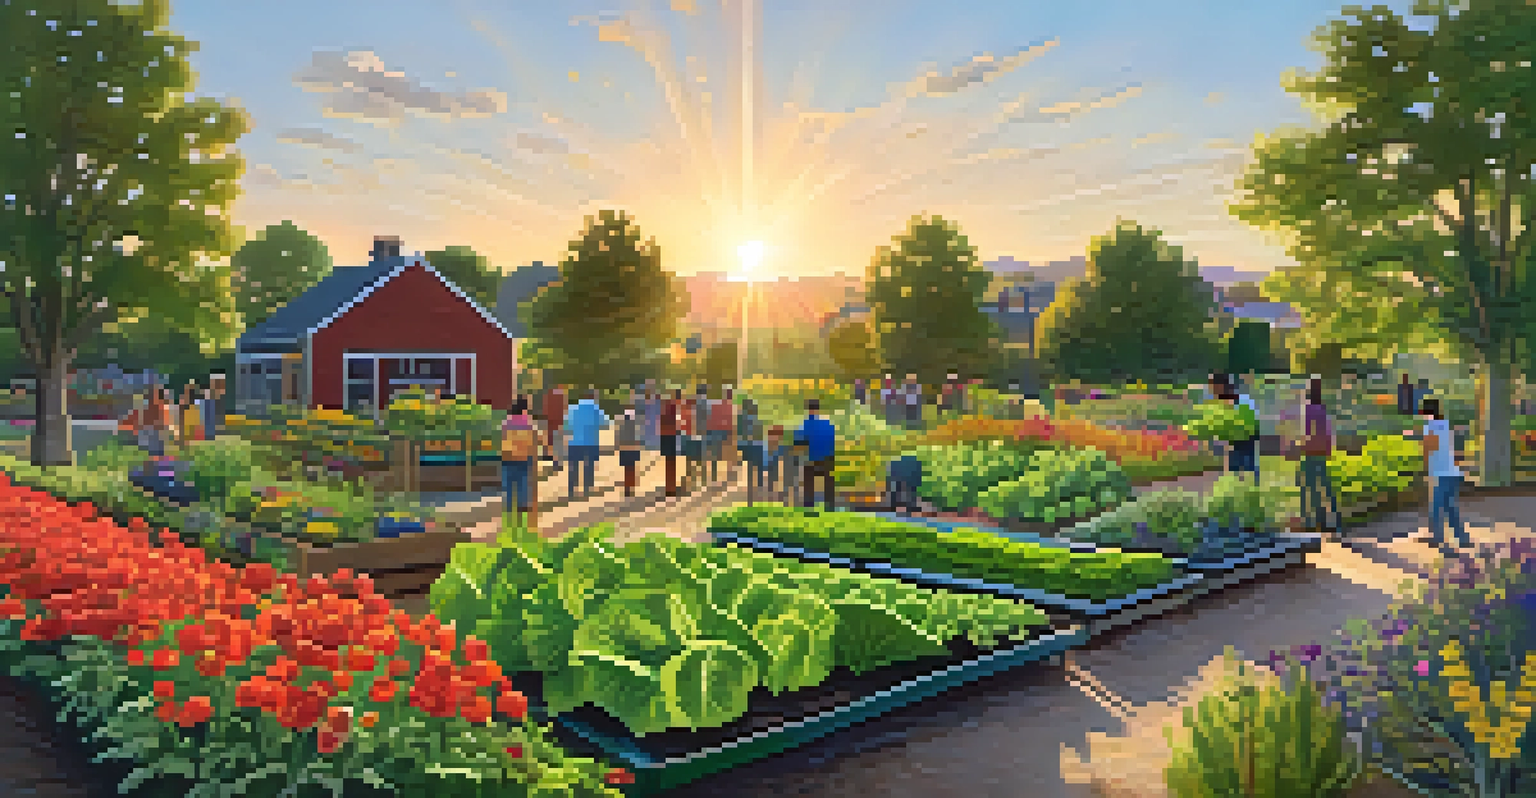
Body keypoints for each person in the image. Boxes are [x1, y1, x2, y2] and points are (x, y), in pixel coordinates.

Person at [1421, 397, 1471, 555]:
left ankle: (1437, 537)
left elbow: (1431, 447)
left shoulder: (1430, 426)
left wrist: (1425, 465)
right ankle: (1462, 538)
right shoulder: (1445, 425)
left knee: (1436, 506)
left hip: (1440, 472)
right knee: (1450, 506)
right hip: (1452, 472)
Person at [1292, 377, 1341, 534]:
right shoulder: (1322, 410)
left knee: (1308, 488)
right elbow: (1328, 433)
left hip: (1310, 453)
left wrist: (1298, 446)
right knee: (1325, 489)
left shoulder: (1307, 410)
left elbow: (1305, 434)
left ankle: (1312, 522)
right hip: (1321, 453)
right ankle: (1333, 522)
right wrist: (1328, 451)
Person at [500, 396, 542, 530]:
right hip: (524, 457)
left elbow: (502, 438)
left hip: (508, 457)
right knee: (523, 484)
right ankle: (521, 511)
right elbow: (536, 439)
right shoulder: (528, 423)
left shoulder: (506, 422)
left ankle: (508, 511)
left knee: (508, 485)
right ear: (524, 408)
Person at [564, 388, 609, 499]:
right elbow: (605, 423)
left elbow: (566, 424)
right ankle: (587, 488)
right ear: (593, 397)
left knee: (573, 466)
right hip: (591, 441)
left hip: (574, 441)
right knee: (589, 466)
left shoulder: (572, 409)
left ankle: (571, 489)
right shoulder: (595, 409)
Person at [796, 398, 837, 512]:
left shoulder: (804, 424)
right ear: (818, 410)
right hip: (828, 458)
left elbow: (799, 443)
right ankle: (830, 506)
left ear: (808, 410)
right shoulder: (827, 423)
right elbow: (832, 440)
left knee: (808, 480)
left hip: (812, 459)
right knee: (829, 482)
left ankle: (809, 506)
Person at [706, 386, 735, 482]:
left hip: (715, 431)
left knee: (714, 454)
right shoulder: (731, 407)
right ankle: (729, 473)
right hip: (725, 431)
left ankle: (714, 474)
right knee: (728, 453)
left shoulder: (716, 405)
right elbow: (730, 421)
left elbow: (710, 419)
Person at [615, 401, 643, 497]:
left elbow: (618, 434)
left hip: (624, 446)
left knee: (627, 468)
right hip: (633, 446)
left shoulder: (621, 420)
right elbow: (639, 434)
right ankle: (630, 487)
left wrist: (617, 445)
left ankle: (627, 488)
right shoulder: (636, 420)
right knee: (631, 468)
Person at [660, 388, 683, 497]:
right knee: (672, 462)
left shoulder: (665, 406)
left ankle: (669, 487)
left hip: (664, 435)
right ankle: (671, 488)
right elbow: (678, 422)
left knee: (668, 462)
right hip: (671, 435)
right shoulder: (675, 406)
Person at [541, 384, 568, 472]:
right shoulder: (561, 396)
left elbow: (545, 410)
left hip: (551, 422)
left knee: (551, 442)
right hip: (559, 422)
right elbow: (565, 409)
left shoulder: (549, 396)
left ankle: (553, 460)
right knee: (558, 442)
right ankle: (558, 462)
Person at [641, 379, 662, 451]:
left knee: (653, 432)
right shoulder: (644, 400)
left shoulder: (656, 400)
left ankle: (654, 445)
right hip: (649, 422)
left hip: (654, 421)